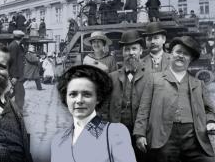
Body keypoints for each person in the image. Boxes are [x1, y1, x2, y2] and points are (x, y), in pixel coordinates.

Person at [134, 36, 215, 162]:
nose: (181, 56)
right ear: (170, 54)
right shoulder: (154, 79)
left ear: (191, 59)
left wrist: (210, 122)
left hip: (194, 137)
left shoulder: (198, 83)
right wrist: (140, 134)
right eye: (178, 52)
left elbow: (209, 110)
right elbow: (144, 108)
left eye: (186, 54)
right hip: (164, 137)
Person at [51, 65, 137, 162]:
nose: (79, 100)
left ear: (98, 98)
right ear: (66, 98)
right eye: (73, 94)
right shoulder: (58, 140)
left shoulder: (114, 133)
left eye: (86, 94)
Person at [108, 29, 148, 162]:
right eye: (127, 49)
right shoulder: (112, 78)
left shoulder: (151, 77)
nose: (131, 53)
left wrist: (143, 133)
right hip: (118, 132)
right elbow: (103, 108)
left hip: (143, 134)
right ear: (122, 52)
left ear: (141, 51)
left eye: (134, 49)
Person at [8, 30, 26, 110]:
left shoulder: (16, 45)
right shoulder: (14, 46)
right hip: (16, 75)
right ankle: (19, 111)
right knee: (20, 93)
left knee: (15, 93)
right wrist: (14, 76)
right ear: (21, 38)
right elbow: (13, 62)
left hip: (18, 75)